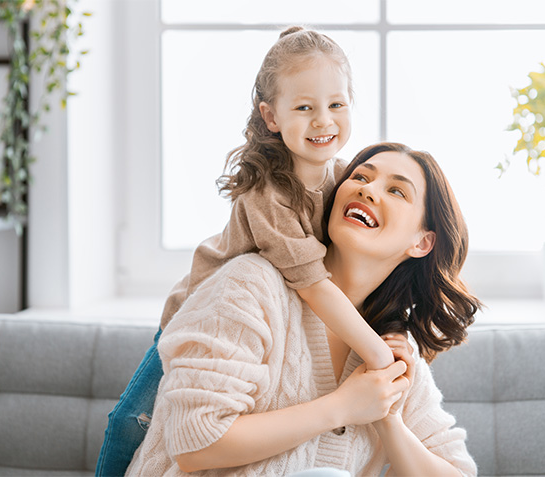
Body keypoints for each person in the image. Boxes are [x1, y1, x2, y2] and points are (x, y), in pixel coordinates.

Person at [96, 26, 394, 476]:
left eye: (336, 104)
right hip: (198, 317)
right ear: (271, 116)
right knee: (128, 422)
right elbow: (314, 286)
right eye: (304, 108)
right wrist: (377, 354)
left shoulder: (342, 181)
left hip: (260, 325)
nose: (323, 121)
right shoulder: (267, 193)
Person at [125, 142, 482, 476]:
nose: (367, 189)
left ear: (422, 242)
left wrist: (387, 416)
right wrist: (342, 407)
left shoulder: (395, 357)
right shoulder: (251, 285)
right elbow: (193, 441)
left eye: (396, 191)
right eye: (360, 176)